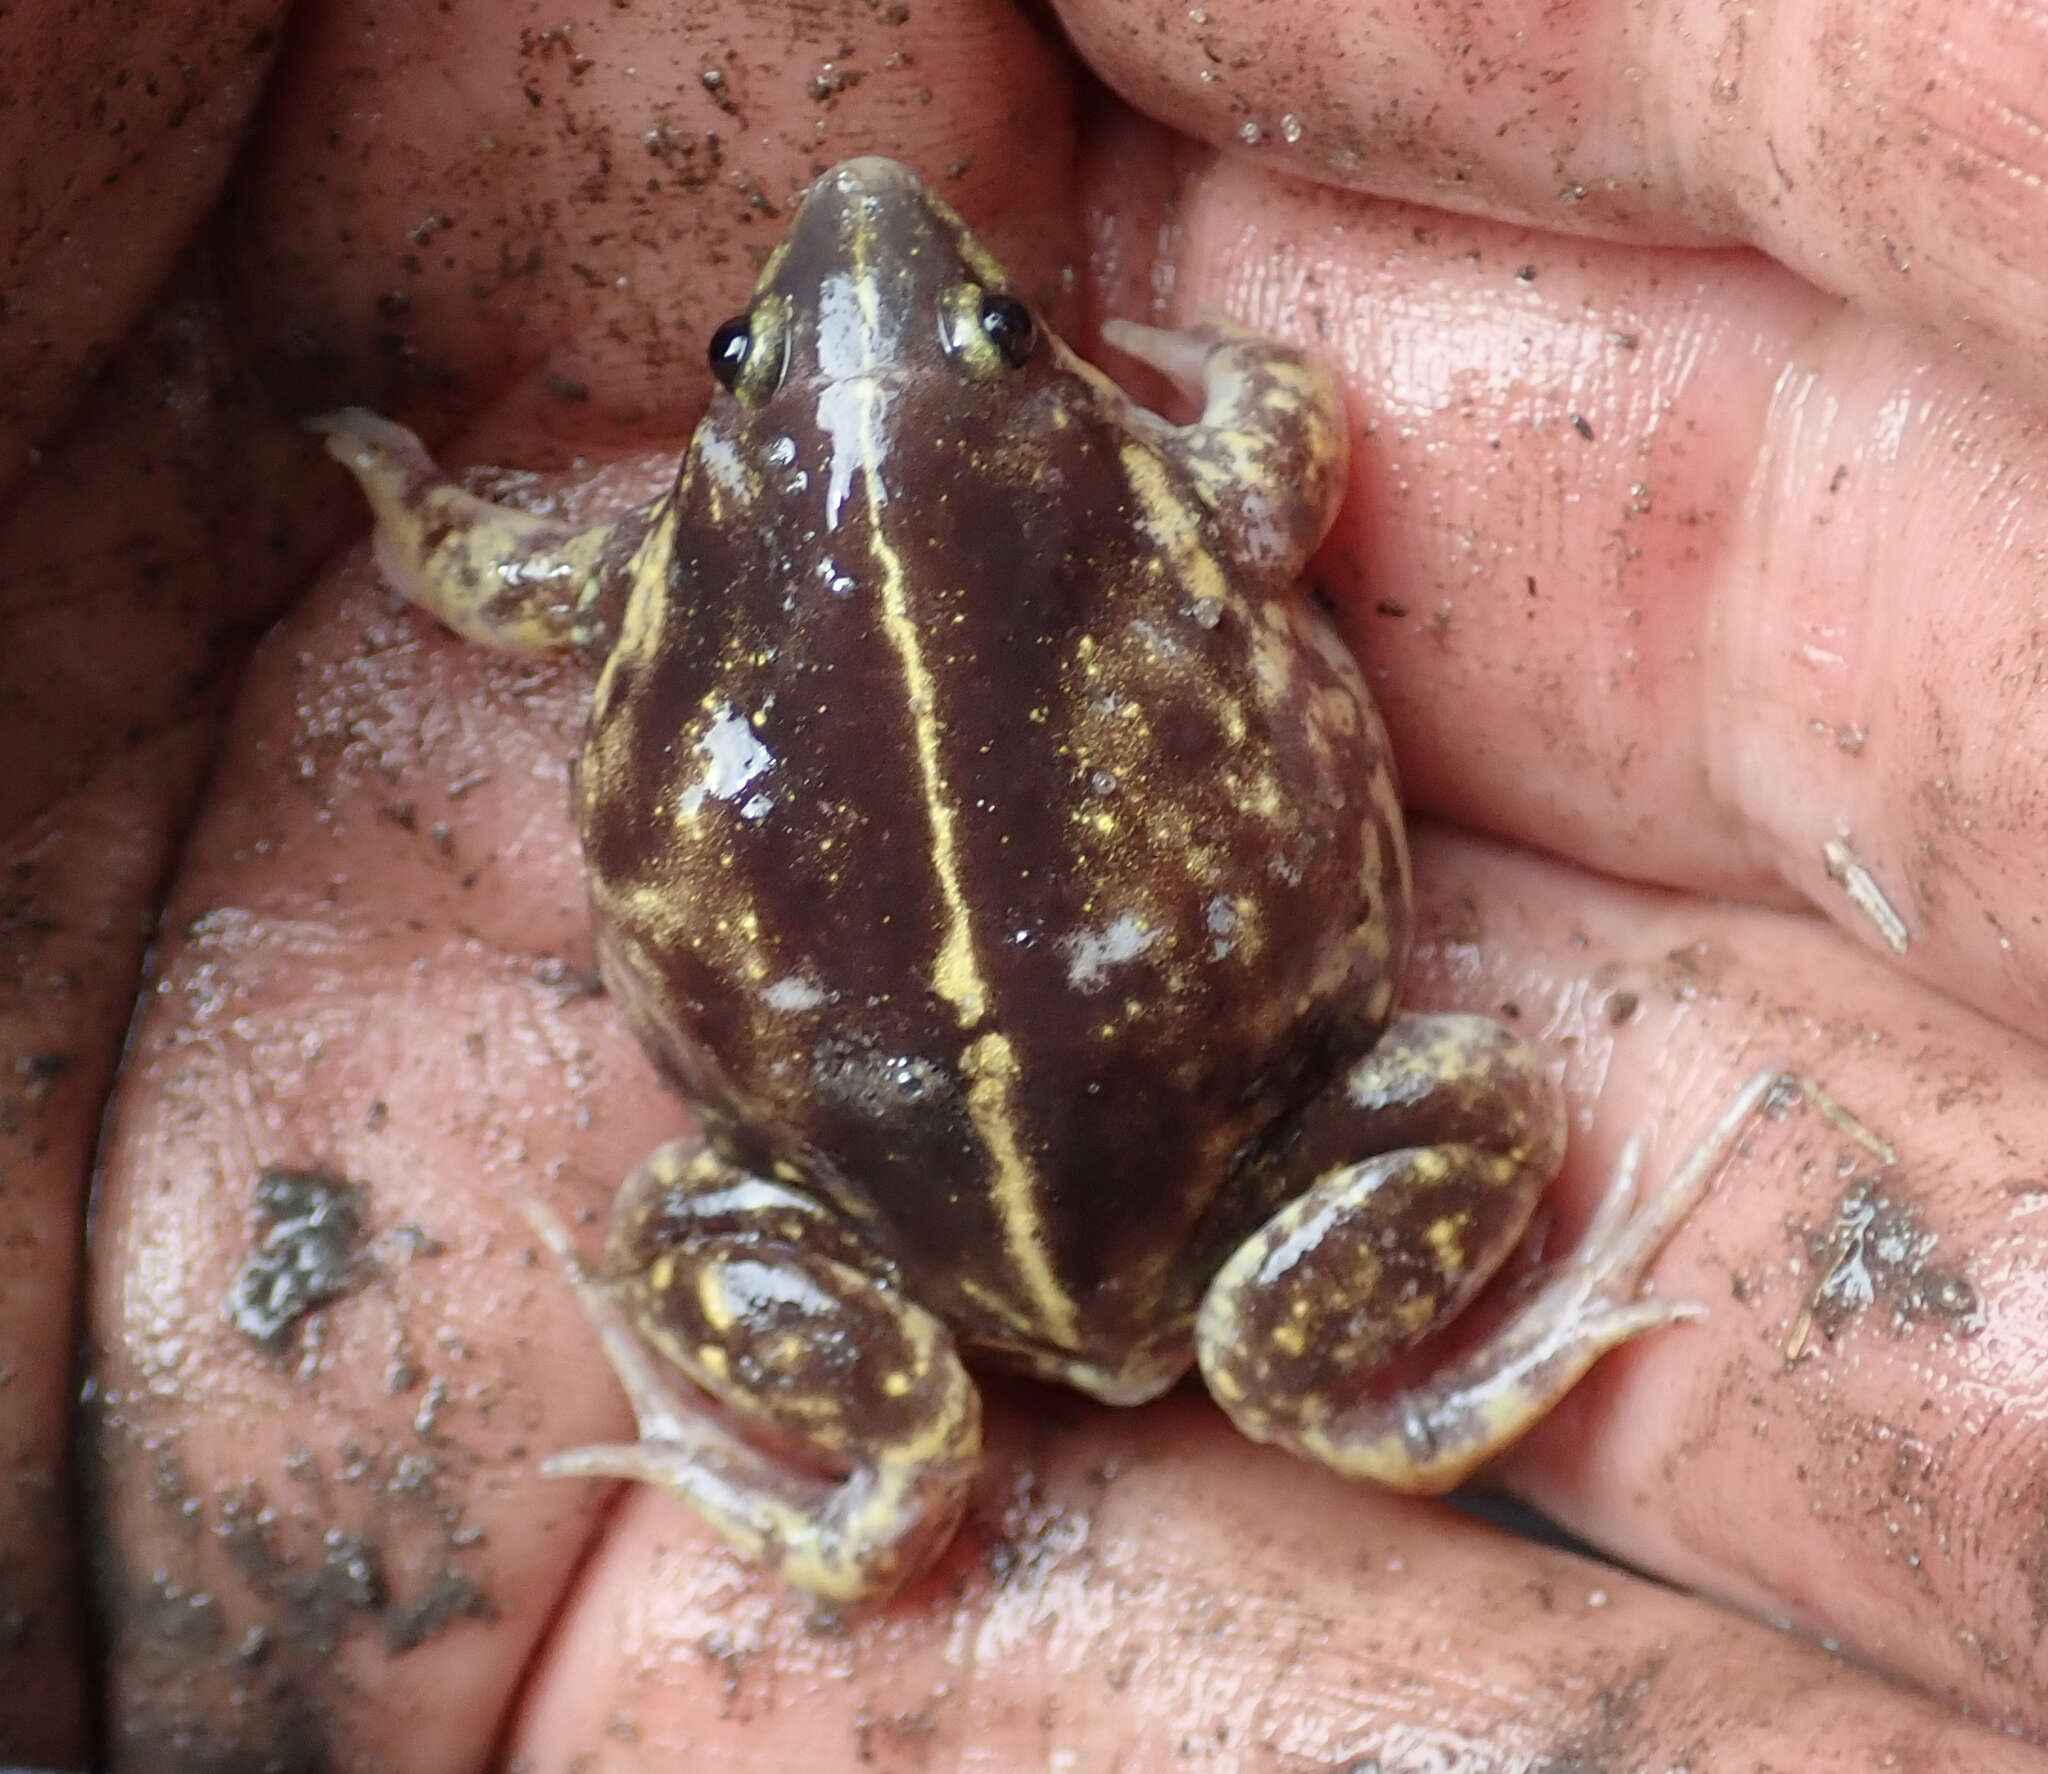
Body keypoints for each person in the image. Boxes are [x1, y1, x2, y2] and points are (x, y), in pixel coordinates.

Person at [10, 0, 2047, 1765]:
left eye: (973, 323)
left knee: (658, 1221)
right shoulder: (1160, 489)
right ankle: (1344, 1382)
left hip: (914, 1211)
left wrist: (396, 488)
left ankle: (878, 1482)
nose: (866, 258)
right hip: (1243, 1162)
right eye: (749, 347)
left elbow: (465, 565)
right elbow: (1285, 427)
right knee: (1500, 1090)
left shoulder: (640, 563)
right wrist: (1169, 363)